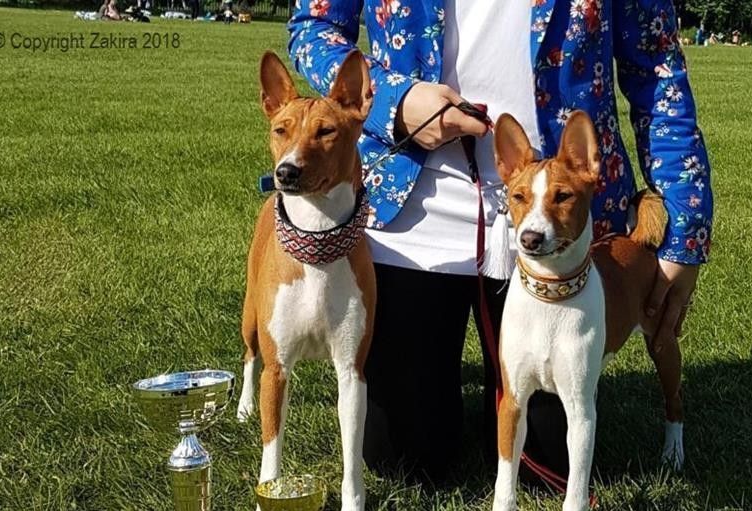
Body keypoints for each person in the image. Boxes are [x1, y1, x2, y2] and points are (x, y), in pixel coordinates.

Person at [288, 0, 713, 481]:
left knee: (547, 463)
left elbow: (655, 62)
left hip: (562, 220)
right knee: (404, 459)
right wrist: (396, 99)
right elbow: (314, 25)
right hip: (412, 217)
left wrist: (686, 229)